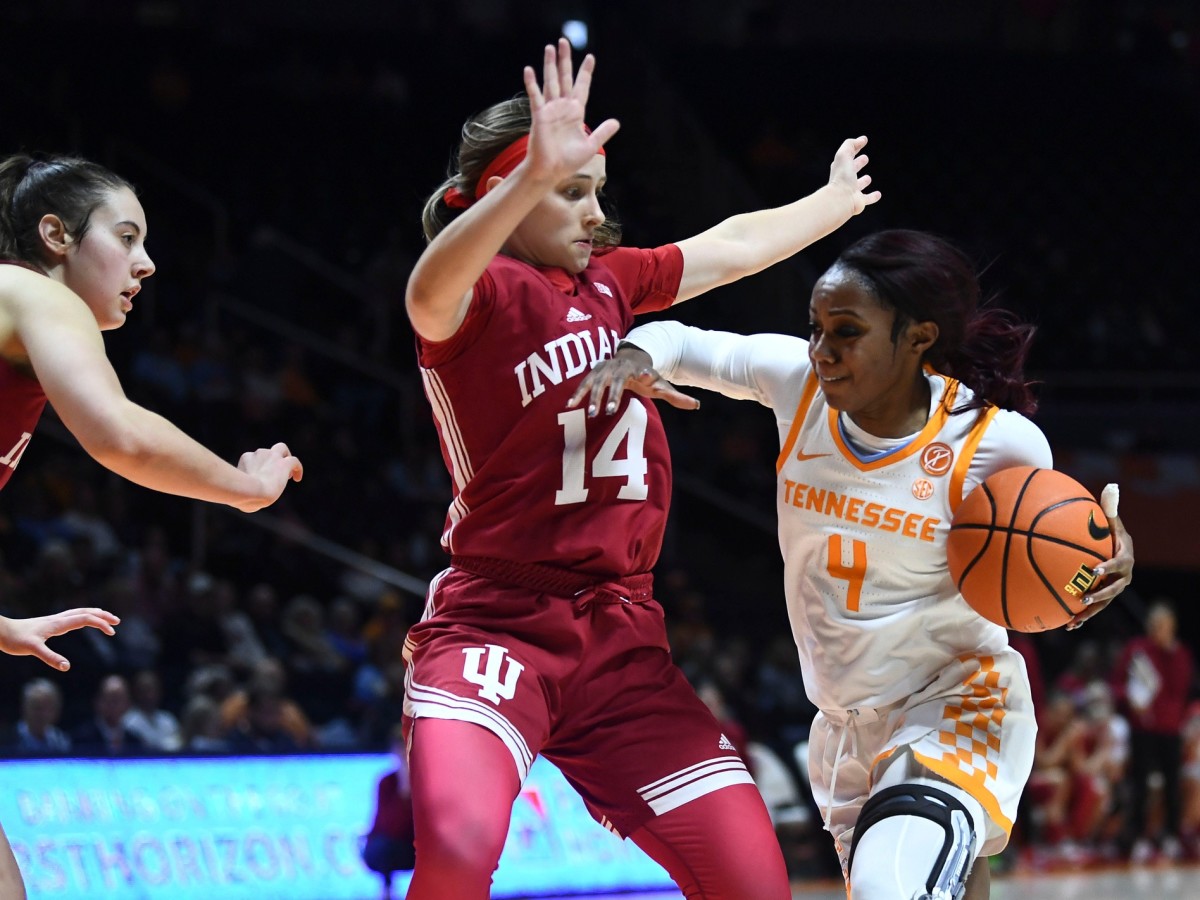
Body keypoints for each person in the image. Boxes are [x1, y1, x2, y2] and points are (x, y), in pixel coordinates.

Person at [401, 38, 878, 899]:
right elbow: (426, 289)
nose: (596, 215)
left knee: (753, 881)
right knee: (457, 849)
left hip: (622, 633)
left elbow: (728, 247)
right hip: (497, 624)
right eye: (571, 192)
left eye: (599, 193)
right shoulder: (483, 296)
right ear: (502, 203)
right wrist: (519, 183)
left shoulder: (614, 286)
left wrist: (831, 205)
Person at [571, 228, 1135, 899]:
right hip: (843, 724)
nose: (822, 351)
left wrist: (1100, 560)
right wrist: (634, 351)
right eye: (814, 329)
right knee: (941, 880)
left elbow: (1057, 558)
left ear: (919, 337)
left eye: (846, 332)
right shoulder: (798, 387)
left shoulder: (994, 442)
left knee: (891, 886)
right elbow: (686, 342)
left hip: (953, 700)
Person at [0, 153, 304, 898]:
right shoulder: (34, 293)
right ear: (55, 235)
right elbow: (120, 436)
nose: (147, 262)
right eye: (127, 237)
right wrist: (246, 489)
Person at [1110, 598, 1194, 863]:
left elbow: (1181, 690)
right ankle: (1135, 838)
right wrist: (1130, 700)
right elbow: (1117, 684)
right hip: (1142, 728)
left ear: (1172, 627)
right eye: (1155, 625)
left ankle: (1170, 835)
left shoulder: (1180, 655)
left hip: (1170, 730)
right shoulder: (1137, 649)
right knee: (1140, 784)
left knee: (1171, 785)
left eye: (1164, 625)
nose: (1159, 630)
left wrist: (1169, 653)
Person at [361, 724, 416, 900]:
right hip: (393, 845)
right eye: (399, 747)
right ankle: (387, 890)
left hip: (422, 847)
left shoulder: (432, 780)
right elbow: (389, 826)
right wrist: (404, 788)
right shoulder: (387, 782)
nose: (403, 753)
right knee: (382, 847)